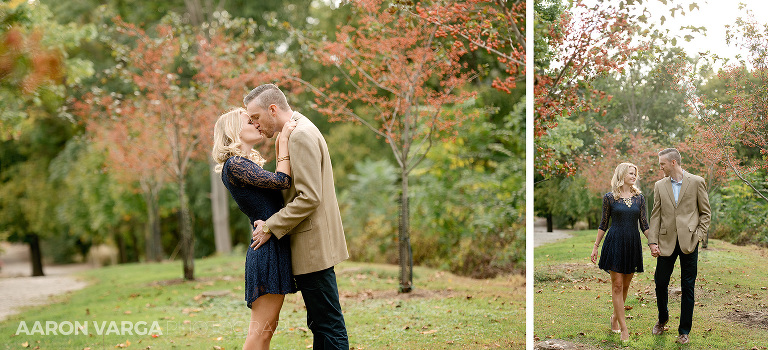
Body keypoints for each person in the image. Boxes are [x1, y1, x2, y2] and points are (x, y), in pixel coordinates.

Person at [245, 84, 350, 349]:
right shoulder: (299, 129)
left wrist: (270, 226)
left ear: (272, 109)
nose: (254, 124)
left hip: (312, 247)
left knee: (328, 324)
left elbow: (309, 197)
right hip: (312, 245)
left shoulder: (300, 135)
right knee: (320, 323)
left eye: (256, 117)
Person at [211, 107, 298, 350]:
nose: (256, 125)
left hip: (272, 245)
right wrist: (283, 141)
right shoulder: (235, 164)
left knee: (266, 333)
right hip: (266, 252)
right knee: (259, 333)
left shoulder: (245, 164)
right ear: (234, 130)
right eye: (250, 121)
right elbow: (282, 181)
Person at [648, 148, 711, 345]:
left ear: (673, 162)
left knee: (688, 286)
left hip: (689, 242)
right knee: (660, 282)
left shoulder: (697, 182)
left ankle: (684, 330)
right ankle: (662, 319)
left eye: (662, 164)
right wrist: (652, 241)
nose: (661, 168)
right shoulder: (660, 185)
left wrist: (698, 236)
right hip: (666, 242)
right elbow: (656, 214)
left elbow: (705, 213)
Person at [590, 162, 650, 343]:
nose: (634, 176)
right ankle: (624, 328)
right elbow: (603, 223)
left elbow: (644, 225)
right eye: (630, 173)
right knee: (616, 285)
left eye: (635, 174)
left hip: (632, 244)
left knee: (625, 285)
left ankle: (615, 317)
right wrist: (595, 246)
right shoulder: (610, 198)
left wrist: (654, 242)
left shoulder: (639, 198)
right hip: (614, 242)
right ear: (622, 174)